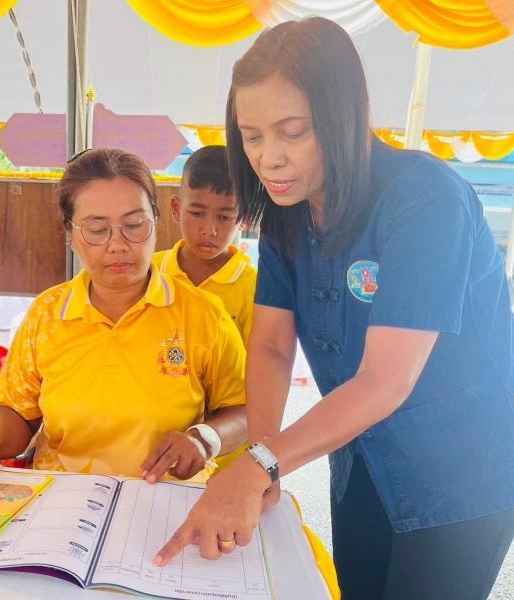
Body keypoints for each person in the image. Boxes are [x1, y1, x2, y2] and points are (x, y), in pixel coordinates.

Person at [155, 17, 514, 600]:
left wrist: (262, 463)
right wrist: (263, 459)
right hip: (362, 457)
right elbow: (271, 345)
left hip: (461, 471)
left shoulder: (425, 201)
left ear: (343, 114)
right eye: (251, 136)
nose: (268, 159)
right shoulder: (286, 214)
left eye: (292, 132)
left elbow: (385, 380)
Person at [0, 148, 247, 484]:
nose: (118, 244)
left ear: (156, 222)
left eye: (134, 225)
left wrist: (204, 439)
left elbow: (243, 410)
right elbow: (18, 413)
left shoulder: (202, 314)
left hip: (163, 499)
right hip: (61, 499)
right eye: (97, 230)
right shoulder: (47, 315)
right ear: (71, 236)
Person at [154, 145, 257, 470]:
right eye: (197, 213)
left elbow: (261, 379)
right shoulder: (150, 274)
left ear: (242, 218)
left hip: (225, 451)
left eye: (224, 217)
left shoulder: (254, 288)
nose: (209, 229)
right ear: (176, 208)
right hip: (153, 442)